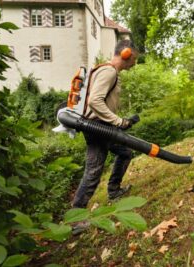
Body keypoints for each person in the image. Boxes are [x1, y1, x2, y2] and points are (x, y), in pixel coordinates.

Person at [72, 40, 139, 209]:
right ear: (126, 54)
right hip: (97, 127)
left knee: (125, 152)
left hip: (103, 126)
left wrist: (119, 121)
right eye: (134, 59)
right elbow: (95, 101)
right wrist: (119, 122)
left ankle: (114, 191)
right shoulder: (108, 72)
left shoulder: (106, 70)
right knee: (93, 171)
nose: (135, 63)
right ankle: (75, 219)